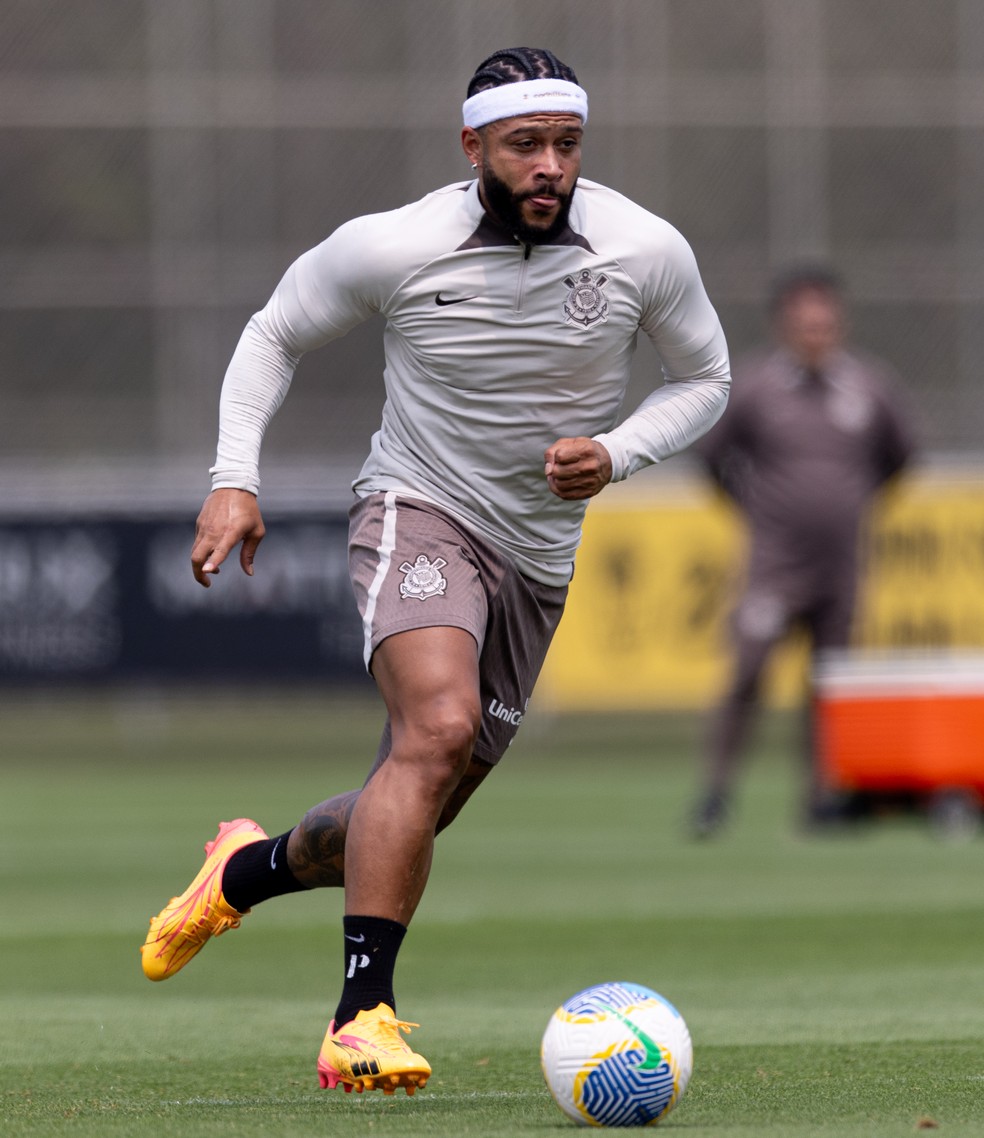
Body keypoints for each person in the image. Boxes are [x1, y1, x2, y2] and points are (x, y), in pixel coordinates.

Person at [140, 46, 731, 1095]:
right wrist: (235, 478)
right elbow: (274, 333)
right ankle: (359, 1018)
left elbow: (705, 377)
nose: (550, 165)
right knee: (439, 727)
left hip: (540, 556)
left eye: (567, 144)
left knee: (407, 806)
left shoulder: (643, 248)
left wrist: (620, 452)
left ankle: (241, 868)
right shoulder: (398, 245)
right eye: (524, 145)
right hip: (417, 508)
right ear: (474, 148)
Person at [689, 265, 916, 838]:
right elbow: (711, 456)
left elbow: (901, 456)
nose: (817, 334)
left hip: (841, 566)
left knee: (832, 686)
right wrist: (757, 508)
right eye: (805, 324)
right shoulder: (758, 387)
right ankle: (715, 794)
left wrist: (851, 501)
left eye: (826, 324)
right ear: (785, 326)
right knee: (749, 671)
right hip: (775, 564)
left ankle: (822, 798)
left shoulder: (868, 385)